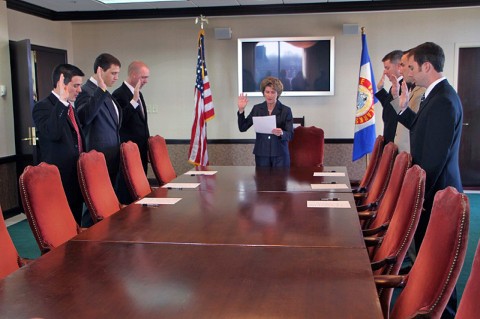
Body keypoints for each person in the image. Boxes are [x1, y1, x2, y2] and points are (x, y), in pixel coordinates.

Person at [397, 42, 463, 319]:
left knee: (440, 263)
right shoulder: (432, 96)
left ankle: (443, 313)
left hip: (439, 194)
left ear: (427, 66)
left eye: (411, 67)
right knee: (429, 257)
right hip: (433, 193)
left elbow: (435, 158)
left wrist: (421, 198)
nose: (408, 73)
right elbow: (419, 131)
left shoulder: (444, 100)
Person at [32, 64, 85, 225]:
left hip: (75, 177)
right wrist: (61, 101)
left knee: (75, 225)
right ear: (61, 84)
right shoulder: (43, 107)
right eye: (76, 85)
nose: (80, 90)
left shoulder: (70, 108)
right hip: (58, 180)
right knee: (59, 228)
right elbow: (53, 133)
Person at [76, 53, 122, 224]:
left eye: (118, 73)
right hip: (97, 160)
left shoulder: (105, 93)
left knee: (107, 209)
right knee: (94, 211)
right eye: (113, 73)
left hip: (111, 159)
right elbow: (84, 117)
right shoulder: (86, 91)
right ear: (100, 71)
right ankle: (89, 245)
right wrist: (101, 91)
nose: (116, 77)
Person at [237, 76, 293, 167]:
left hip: (280, 155)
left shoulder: (286, 110)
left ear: (277, 94)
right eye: (267, 92)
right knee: (262, 181)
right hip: (262, 154)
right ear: (263, 93)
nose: (269, 95)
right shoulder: (257, 109)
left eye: (272, 92)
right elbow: (242, 127)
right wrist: (241, 110)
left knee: (280, 181)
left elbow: (290, 134)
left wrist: (282, 133)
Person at [113, 61, 150, 174]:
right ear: (134, 74)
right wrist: (133, 101)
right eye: (143, 77)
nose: (146, 81)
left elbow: (143, 123)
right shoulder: (119, 94)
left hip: (142, 149)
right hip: (130, 152)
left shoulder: (139, 94)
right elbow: (120, 120)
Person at [388, 50, 426, 152]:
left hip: (411, 150)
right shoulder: (410, 87)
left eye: (403, 65)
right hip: (402, 148)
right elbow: (402, 115)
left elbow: (415, 123)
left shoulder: (423, 91)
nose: (400, 71)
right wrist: (396, 97)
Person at [375, 50, 403, 145]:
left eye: (387, 68)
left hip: (396, 141)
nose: (385, 72)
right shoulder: (395, 85)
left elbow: (400, 112)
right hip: (390, 138)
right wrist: (380, 89)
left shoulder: (405, 86)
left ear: (399, 66)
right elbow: (389, 107)